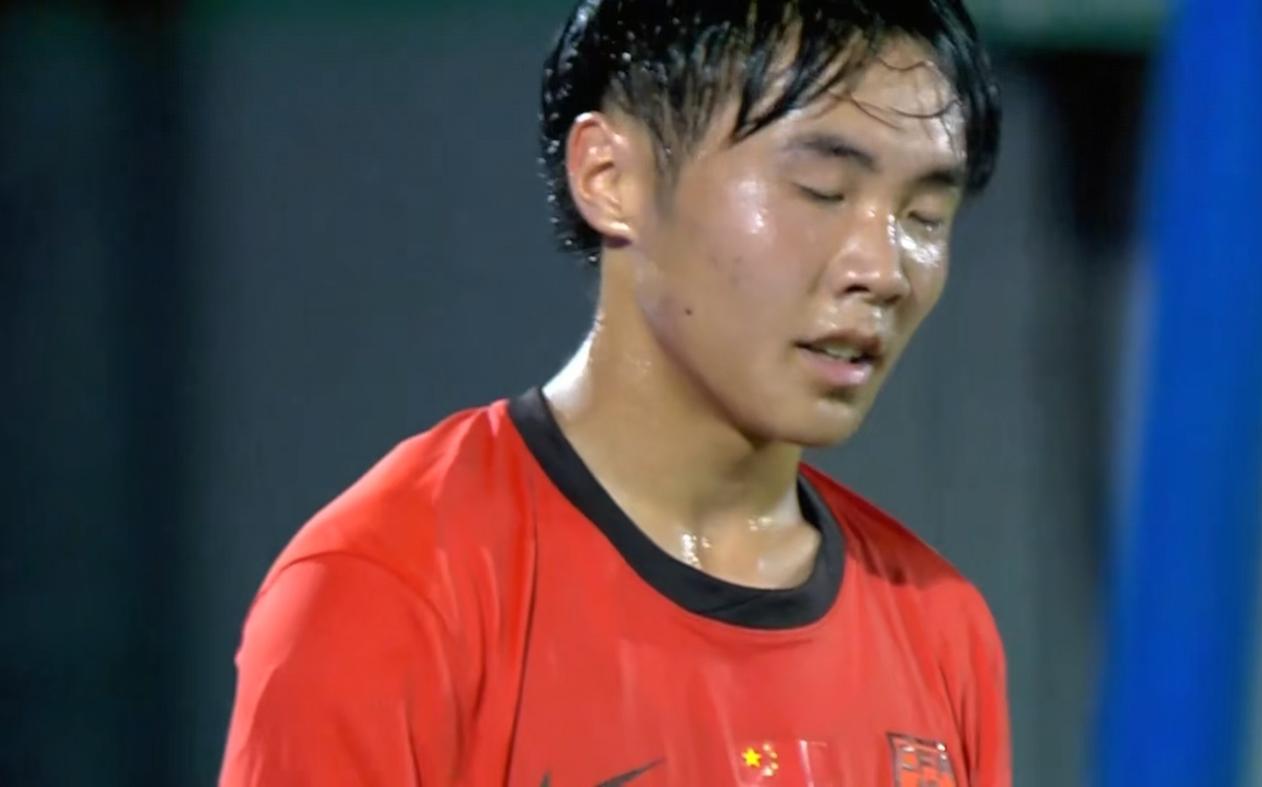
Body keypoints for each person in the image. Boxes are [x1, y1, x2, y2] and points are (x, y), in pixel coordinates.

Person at [219, 0, 1009, 784]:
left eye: (923, 216)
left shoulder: (942, 627)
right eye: (821, 190)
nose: (883, 268)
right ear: (610, 177)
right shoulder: (390, 589)